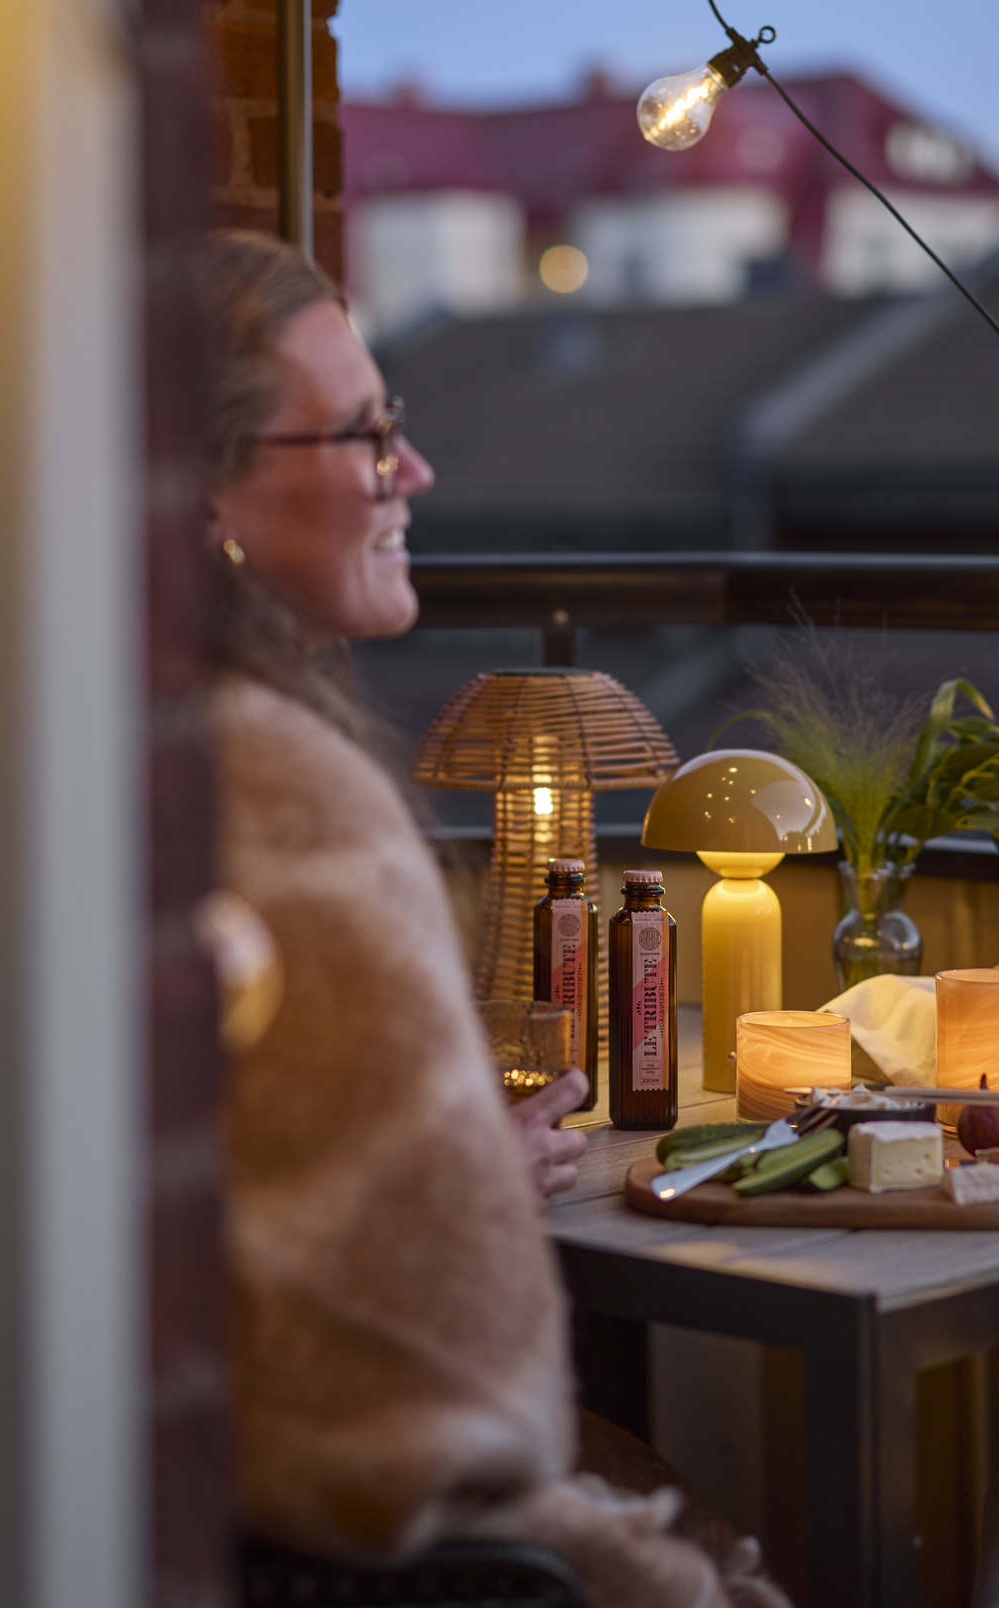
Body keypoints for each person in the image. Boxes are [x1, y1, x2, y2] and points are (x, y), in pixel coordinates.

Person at [201, 231, 786, 1607]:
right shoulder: (280, 788)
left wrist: (446, 1151)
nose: (415, 473)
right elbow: (432, 1410)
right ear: (202, 493)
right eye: (362, 433)